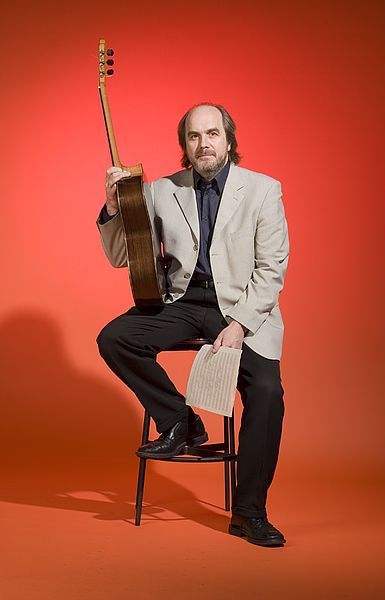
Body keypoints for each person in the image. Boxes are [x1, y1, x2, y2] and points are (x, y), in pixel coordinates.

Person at [96, 103, 289, 546]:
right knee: (116, 338)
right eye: (194, 136)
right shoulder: (162, 189)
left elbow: (272, 268)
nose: (204, 143)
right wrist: (111, 207)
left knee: (267, 392)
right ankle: (182, 421)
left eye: (212, 134)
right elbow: (123, 255)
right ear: (184, 145)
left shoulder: (263, 190)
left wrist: (240, 325)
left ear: (228, 139)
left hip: (241, 305)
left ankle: (249, 513)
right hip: (182, 300)